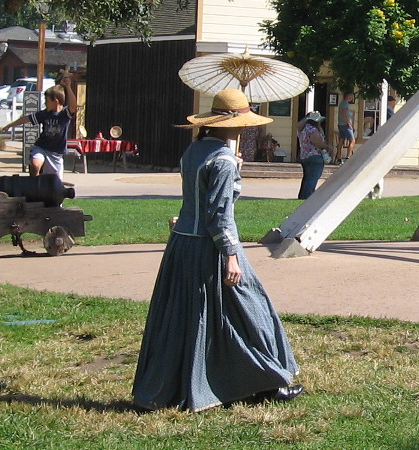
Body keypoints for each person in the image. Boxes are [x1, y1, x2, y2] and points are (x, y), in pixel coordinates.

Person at [132, 89, 302, 413]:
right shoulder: (222, 160)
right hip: (210, 249)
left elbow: (199, 201)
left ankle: (173, 387)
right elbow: (219, 215)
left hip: (182, 245)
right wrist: (232, 255)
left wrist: (231, 168)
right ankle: (267, 382)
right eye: (243, 122)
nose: (246, 128)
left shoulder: (194, 151)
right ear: (232, 124)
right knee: (254, 312)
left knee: (185, 318)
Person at [0, 74, 77, 180]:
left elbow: (73, 106)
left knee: (56, 182)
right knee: (35, 164)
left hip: (56, 154)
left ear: (56, 101)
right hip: (41, 147)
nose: (45, 103)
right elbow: (26, 118)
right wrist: (10, 125)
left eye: (47, 101)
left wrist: (68, 86)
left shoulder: (65, 114)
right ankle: (35, 184)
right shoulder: (44, 114)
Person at [297, 111, 331, 200]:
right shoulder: (313, 130)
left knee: (307, 178)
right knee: (313, 178)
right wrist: (327, 147)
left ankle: (303, 196)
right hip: (315, 156)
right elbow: (317, 142)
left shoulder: (303, 129)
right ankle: (309, 197)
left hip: (305, 156)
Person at [336, 91, 356, 162]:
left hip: (341, 124)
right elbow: (344, 114)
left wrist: (351, 111)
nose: (352, 97)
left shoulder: (343, 103)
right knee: (352, 140)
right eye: (351, 95)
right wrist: (348, 123)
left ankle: (339, 157)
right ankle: (348, 157)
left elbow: (345, 112)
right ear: (348, 95)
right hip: (345, 125)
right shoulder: (344, 103)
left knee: (341, 140)